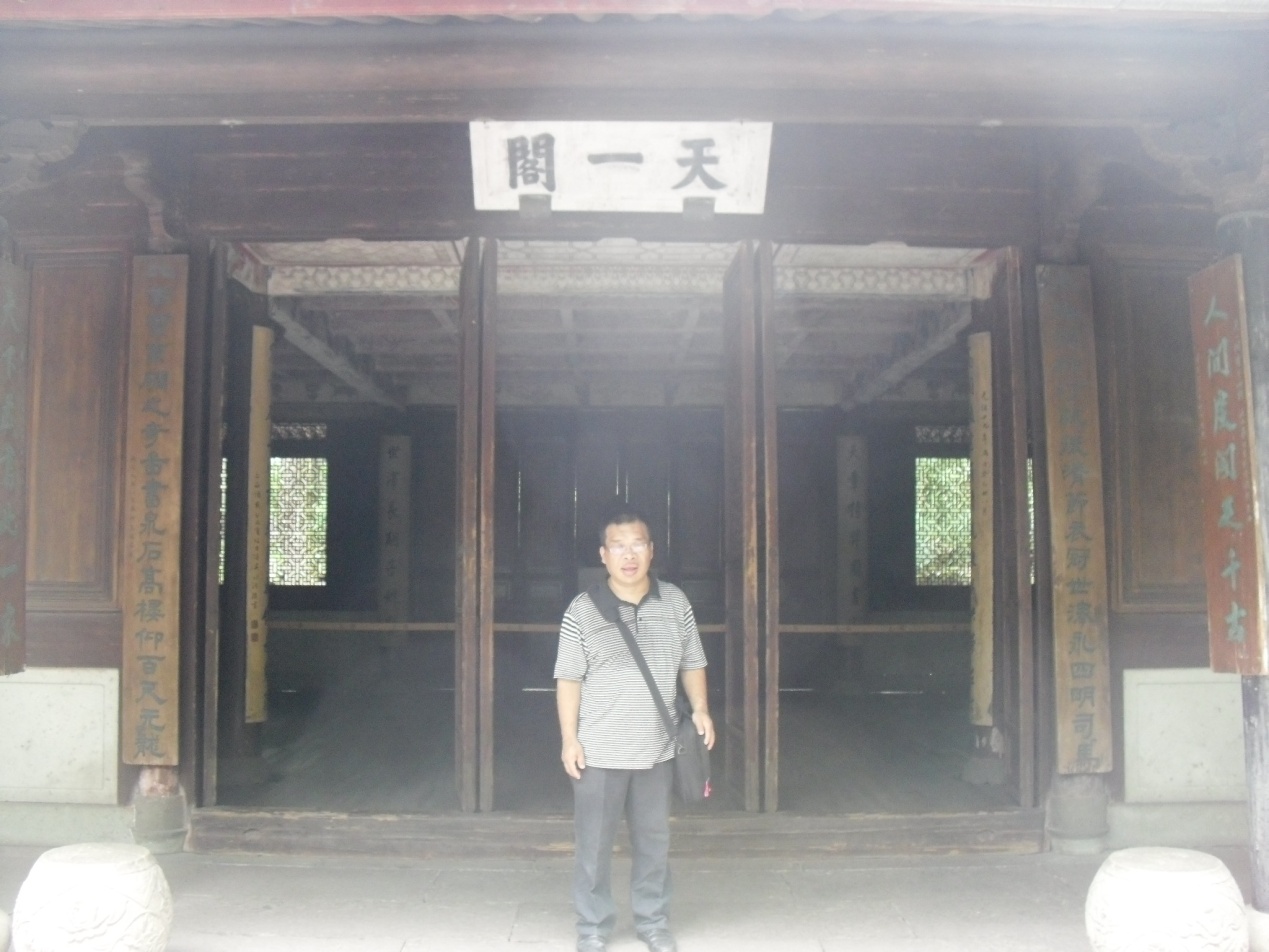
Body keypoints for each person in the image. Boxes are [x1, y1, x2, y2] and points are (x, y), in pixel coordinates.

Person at [554, 504, 716, 952]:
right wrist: (569, 739)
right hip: (599, 752)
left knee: (654, 844)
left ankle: (653, 922)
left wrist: (701, 709)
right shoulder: (582, 611)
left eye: (637, 544)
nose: (629, 555)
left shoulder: (675, 602)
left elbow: (692, 661)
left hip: (657, 750)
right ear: (603, 554)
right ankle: (593, 927)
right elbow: (568, 679)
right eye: (619, 546)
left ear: (652, 550)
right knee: (593, 847)